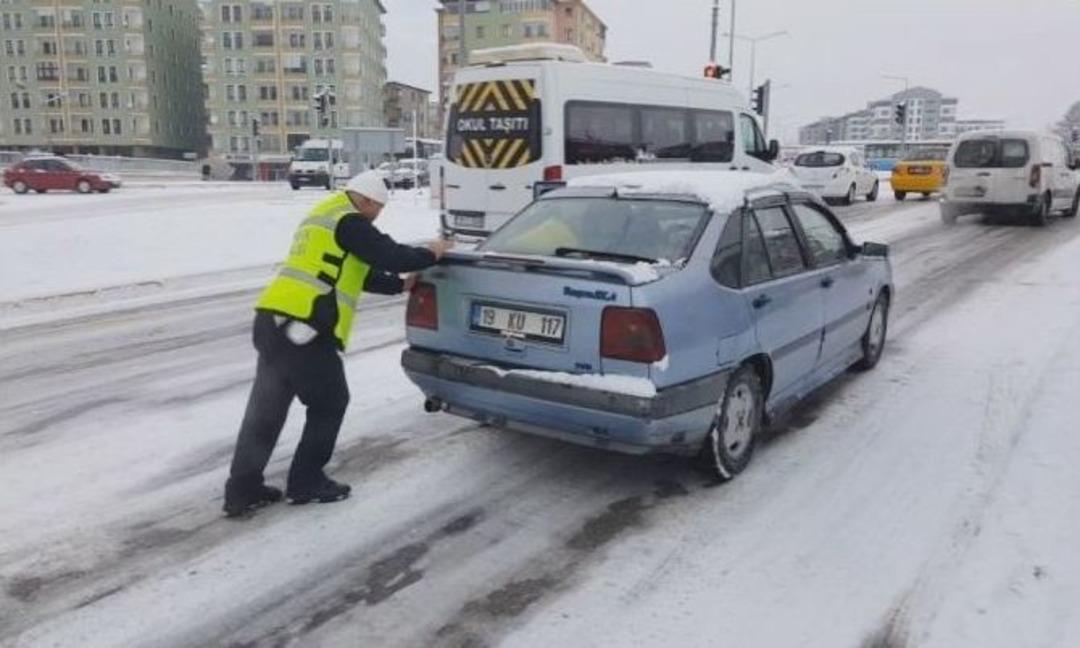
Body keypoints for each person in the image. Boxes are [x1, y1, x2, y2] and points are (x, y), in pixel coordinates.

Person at [223, 171, 453, 518]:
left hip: (273, 321)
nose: (377, 217)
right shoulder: (350, 220)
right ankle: (306, 480)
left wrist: (400, 286)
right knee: (330, 402)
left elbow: (356, 271)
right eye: (378, 209)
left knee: (267, 408)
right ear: (368, 201)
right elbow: (390, 254)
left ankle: (242, 490)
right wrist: (431, 252)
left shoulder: (325, 216)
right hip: (304, 328)